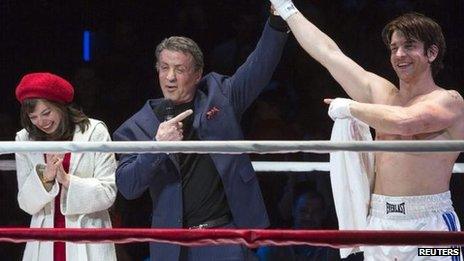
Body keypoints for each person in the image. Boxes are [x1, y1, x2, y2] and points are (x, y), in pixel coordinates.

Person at [270, 1, 464, 260]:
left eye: (409, 46)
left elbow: (406, 122)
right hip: (380, 221)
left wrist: (351, 107)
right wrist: (286, 9)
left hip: (430, 225)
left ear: (431, 53)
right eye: (394, 47)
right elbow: (328, 53)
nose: (399, 54)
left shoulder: (449, 101)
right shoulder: (380, 93)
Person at [112, 12, 289, 261]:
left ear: (197, 74)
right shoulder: (136, 126)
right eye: (164, 68)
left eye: (179, 69)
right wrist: (157, 147)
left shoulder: (221, 97)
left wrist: (278, 21)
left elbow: (259, 66)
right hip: (172, 244)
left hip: (224, 237)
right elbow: (128, 187)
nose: (170, 77)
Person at [14, 72, 117, 261]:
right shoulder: (24, 139)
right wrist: (46, 178)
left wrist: (67, 180)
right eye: (33, 117)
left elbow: (108, 193)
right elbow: (26, 204)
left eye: (46, 113)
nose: (41, 122)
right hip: (43, 241)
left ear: (61, 106)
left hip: (88, 236)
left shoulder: (94, 131)